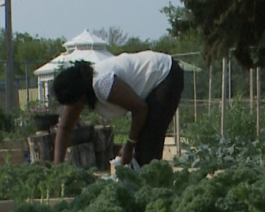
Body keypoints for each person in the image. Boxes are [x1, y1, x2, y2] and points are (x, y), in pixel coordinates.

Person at [51, 51, 184, 166]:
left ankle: (150, 189)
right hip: (149, 87)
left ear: (80, 97)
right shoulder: (80, 90)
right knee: (143, 150)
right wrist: (58, 170)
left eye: (72, 103)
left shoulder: (102, 84)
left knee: (148, 146)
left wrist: (129, 146)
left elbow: (140, 109)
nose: (71, 108)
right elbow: (65, 128)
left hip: (165, 74)